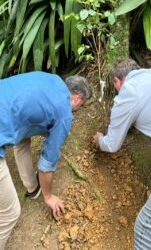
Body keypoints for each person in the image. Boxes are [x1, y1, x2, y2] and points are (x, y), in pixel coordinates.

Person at [0, 71, 92, 249]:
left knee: (22, 140)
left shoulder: (52, 79)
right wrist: (48, 196)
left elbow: (31, 112)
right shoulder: (65, 113)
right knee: (10, 213)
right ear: (78, 98)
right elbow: (46, 164)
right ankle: (39, 192)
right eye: (82, 105)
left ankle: (32, 188)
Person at [93, 58, 151, 250]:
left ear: (118, 82)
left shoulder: (129, 93)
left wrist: (99, 140)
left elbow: (112, 145)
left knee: (147, 234)